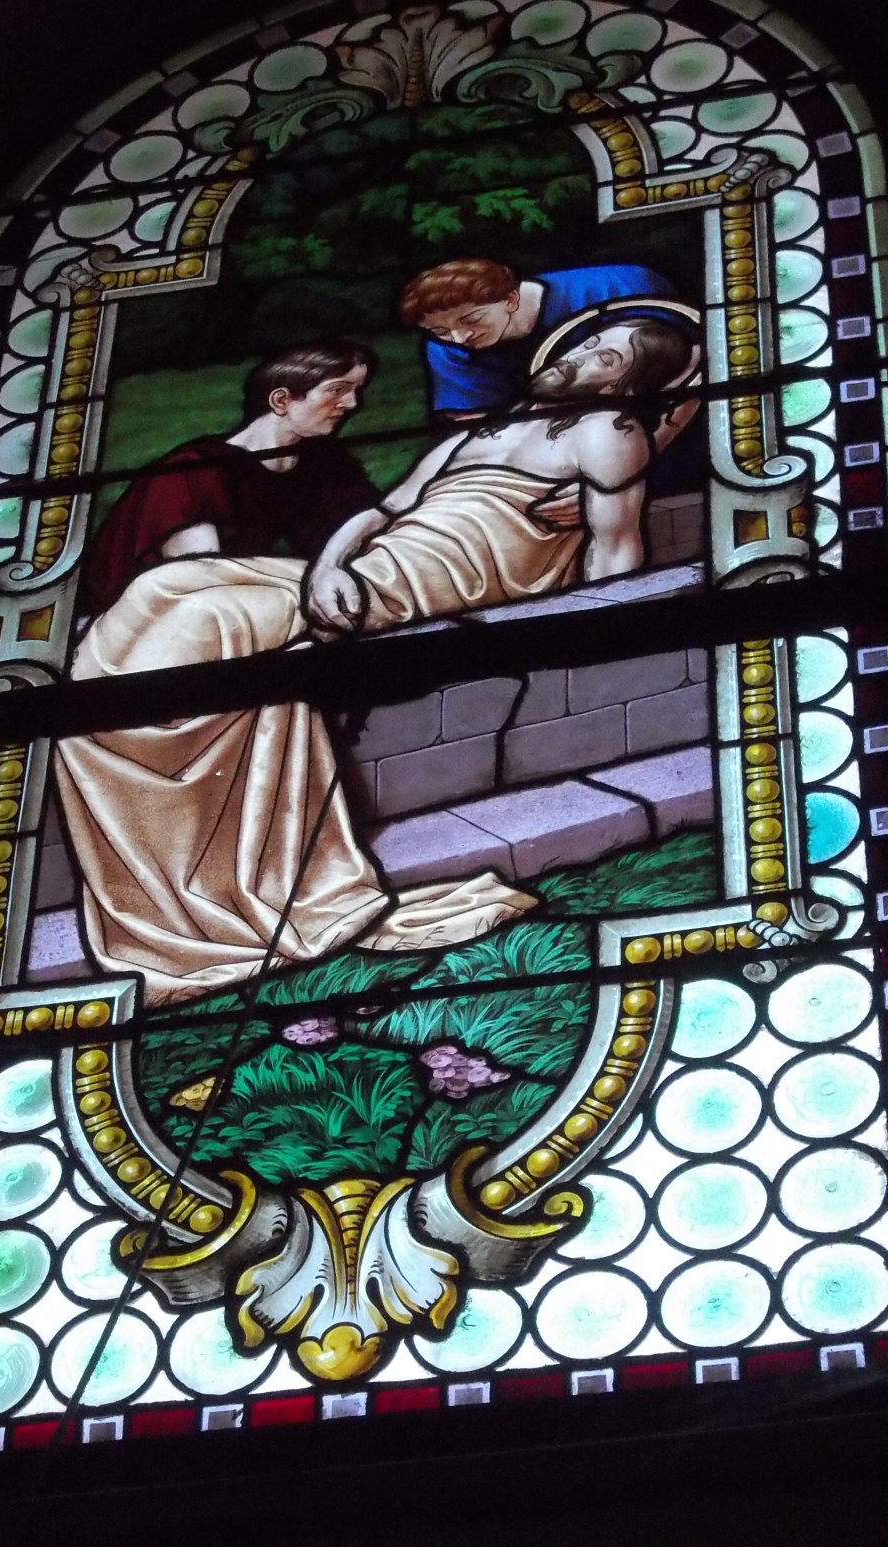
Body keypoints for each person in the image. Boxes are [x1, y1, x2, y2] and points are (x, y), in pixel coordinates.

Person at [55, 313, 699, 1009]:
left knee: (206, 620)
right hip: (362, 573)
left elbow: (615, 545)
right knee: (165, 587)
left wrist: (594, 629)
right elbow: (385, 511)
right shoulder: (488, 429)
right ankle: (130, 770)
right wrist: (329, 565)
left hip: (419, 589)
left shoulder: (608, 432)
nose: (583, 354)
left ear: (627, 385)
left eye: (609, 357)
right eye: (588, 342)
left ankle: (140, 779)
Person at [80, 342, 377, 618]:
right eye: (337, 390)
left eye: (356, 390)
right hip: (138, 622)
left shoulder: (324, 463)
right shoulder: (195, 471)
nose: (352, 403)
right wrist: (316, 574)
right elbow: (204, 580)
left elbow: (371, 531)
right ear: (281, 400)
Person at [399, 256, 674, 418]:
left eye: (472, 320)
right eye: (440, 331)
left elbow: (687, 358)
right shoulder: (447, 349)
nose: (459, 338)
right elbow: (473, 420)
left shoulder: (618, 288)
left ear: (510, 299)